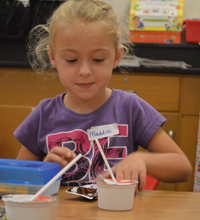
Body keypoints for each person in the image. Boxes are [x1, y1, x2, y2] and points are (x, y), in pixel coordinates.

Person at [15, 0, 192, 191]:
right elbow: (16, 180)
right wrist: (46, 169)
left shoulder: (130, 108)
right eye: (71, 60)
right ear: (53, 57)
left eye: (98, 59)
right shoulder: (44, 115)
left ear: (116, 56)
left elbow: (183, 168)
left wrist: (141, 159)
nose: (84, 71)